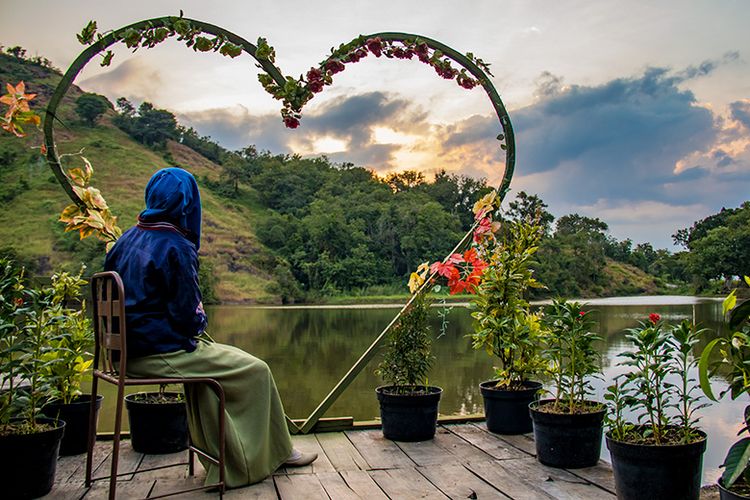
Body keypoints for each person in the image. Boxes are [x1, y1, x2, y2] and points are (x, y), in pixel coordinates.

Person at [104, 167, 316, 489]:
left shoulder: (125, 240)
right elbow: (188, 316)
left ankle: (238, 454)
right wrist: (200, 320)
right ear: (187, 204)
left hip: (123, 354)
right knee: (257, 370)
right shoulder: (176, 245)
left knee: (213, 372)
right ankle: (263, 457)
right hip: (158, 353)